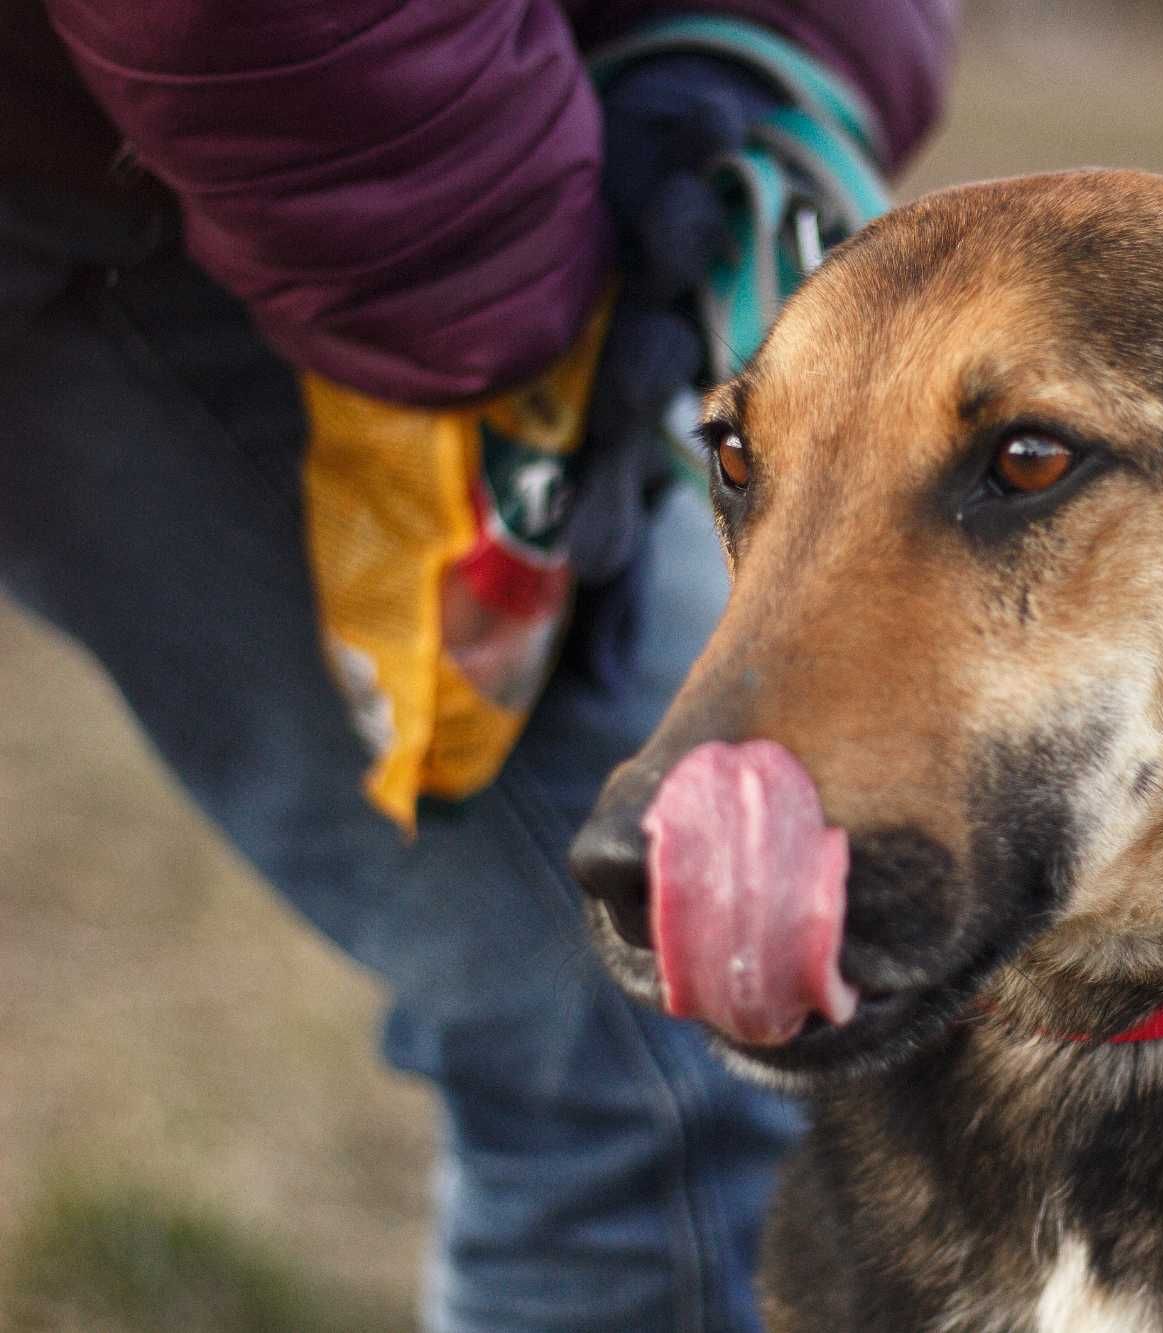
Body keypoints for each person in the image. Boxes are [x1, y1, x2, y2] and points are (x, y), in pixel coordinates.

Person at [0, 2, 953, 1329]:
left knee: (738, 972)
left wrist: (757, 49)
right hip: (207, 159)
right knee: (662, 1036)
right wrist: (501, 307)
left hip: (465, 142)